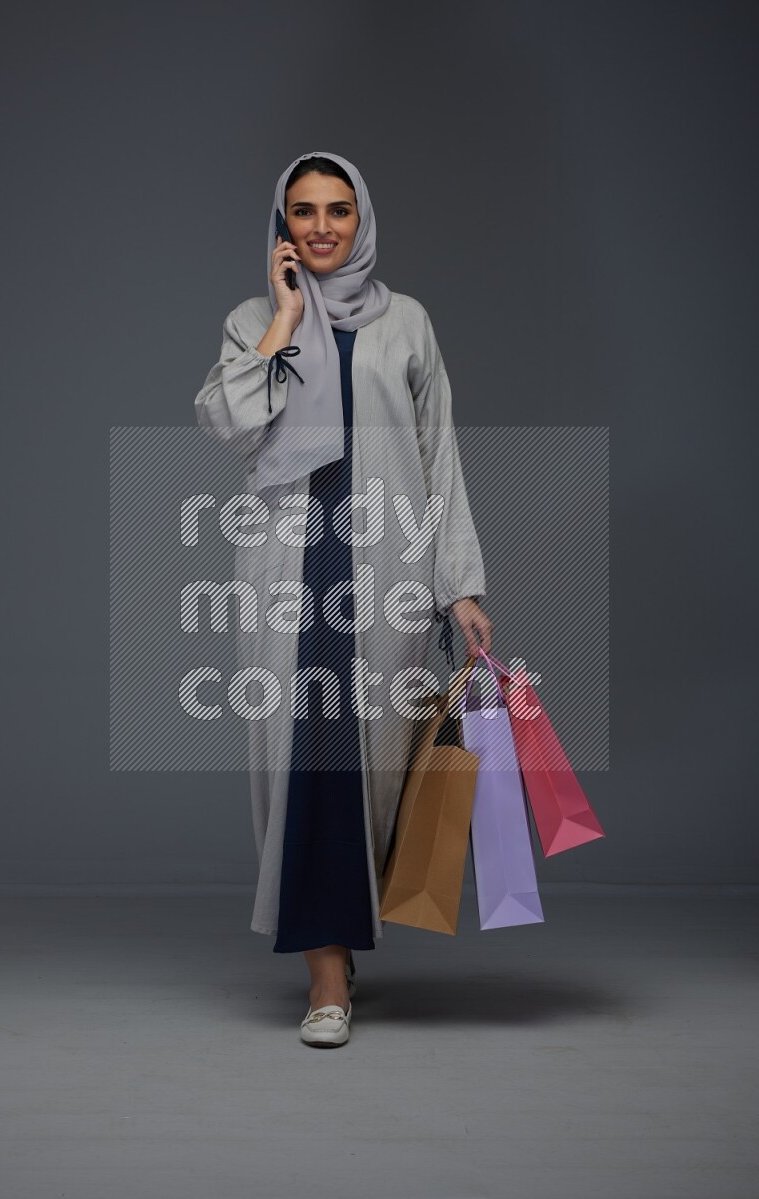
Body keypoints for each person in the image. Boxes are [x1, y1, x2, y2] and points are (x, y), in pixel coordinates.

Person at [194, 150, 492, 1047]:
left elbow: (441, 454)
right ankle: (326, 976)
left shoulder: (408, 324)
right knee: (306, 771)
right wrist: (285, 323)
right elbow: (223, 420)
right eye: (303, 211)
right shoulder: (254, 318)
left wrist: (462, 585)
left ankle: (346, 931)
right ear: (282, 225)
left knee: (376, 770)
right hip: (289, 575)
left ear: (361, 221)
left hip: (388, 574)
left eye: (337, 211)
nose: (321, 227)